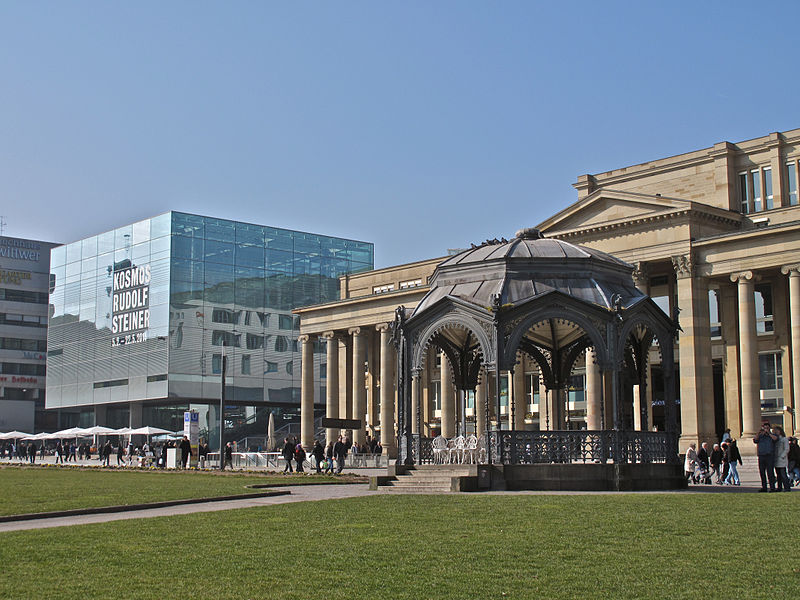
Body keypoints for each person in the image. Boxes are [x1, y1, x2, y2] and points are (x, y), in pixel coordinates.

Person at [754, 422, 778, 492]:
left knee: (770, 473)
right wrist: (758, 433)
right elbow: (755, 440)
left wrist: (769, 433)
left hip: (769, 456)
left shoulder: (772, 435)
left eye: (767, 428)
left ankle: (772, 487)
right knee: (762, 472)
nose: (765, 429)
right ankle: (764, 487)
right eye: (764, 428)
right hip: (761, 455)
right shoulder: (760, 436)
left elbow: (775, 439)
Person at [774, 426, 791, 492]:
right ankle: (779, 487)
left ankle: (787, 487)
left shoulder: (784, 439)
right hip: (776, 459)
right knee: (778, 475)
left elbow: (786, 449)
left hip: (782, 459)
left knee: (783, 474)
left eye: (776, 430)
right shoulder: (776, 440)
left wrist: (782, 456)